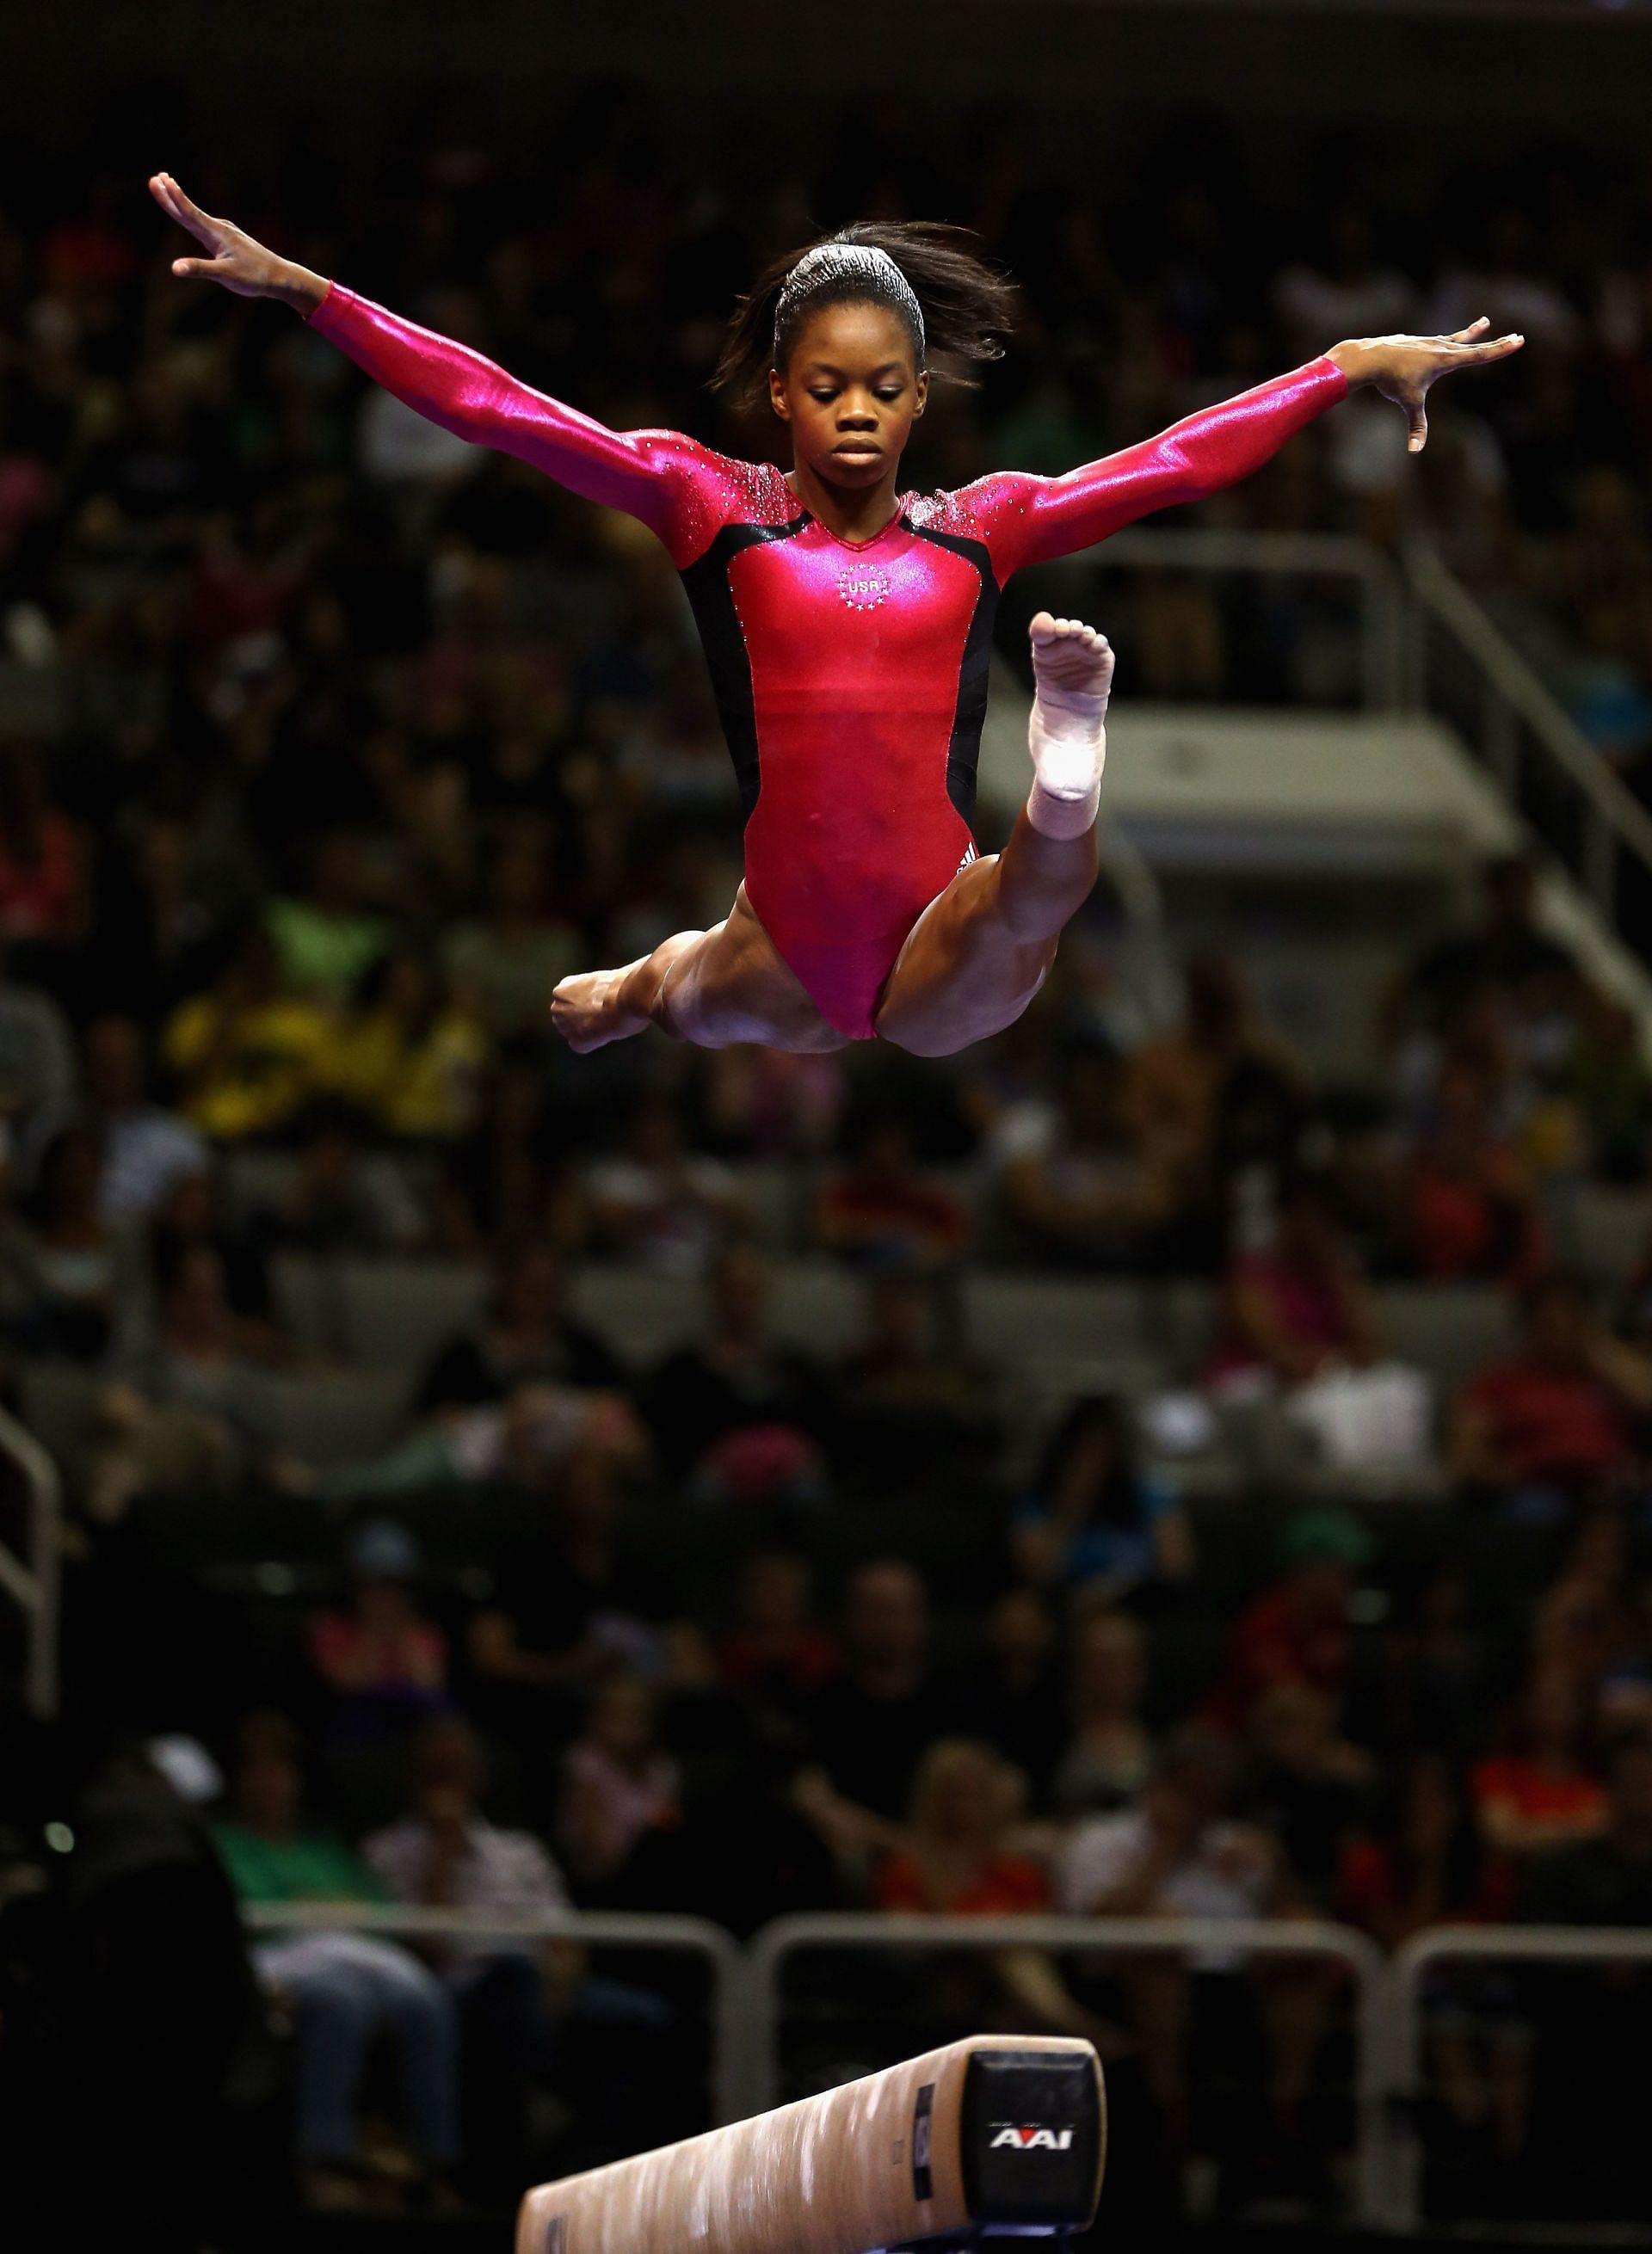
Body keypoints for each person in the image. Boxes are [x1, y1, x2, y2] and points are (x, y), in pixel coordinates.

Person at [154, 171, 1520, 1057]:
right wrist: (309, 293)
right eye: (825, 389)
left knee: (1037, 899)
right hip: (783, 945)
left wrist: (1341, 365)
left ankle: (1069, 746)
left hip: (940, 931)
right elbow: (499, 409)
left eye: (882, 389)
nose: (854, 413)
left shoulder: (981, 527)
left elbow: (1170, 461)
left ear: (921, 399)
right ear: (780, 395)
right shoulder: (710, 504)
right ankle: (645, 980)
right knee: (671, 1002)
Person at [211, 1713, 462, 2214]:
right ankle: (324, 2159)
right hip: (281, 1957)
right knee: (340, 1999)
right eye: (258, 1771)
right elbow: (254, 1915)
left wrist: (328, 1910)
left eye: (281, 1771)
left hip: (354, 1953)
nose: (271, 1784)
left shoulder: (323, 1847)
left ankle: (434, 2161)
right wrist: (329, 1911)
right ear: (240, 1781)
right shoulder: (227, 1845)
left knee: (422, 2000)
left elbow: (378, 1913)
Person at [1011, 1394, 1194, 1609]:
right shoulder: (1039, 1501)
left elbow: (1177, 1568)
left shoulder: (1149, 1496)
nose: (1096, 1460)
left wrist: (1113, 1591)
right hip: (1065, 1603)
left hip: (1134, 1604)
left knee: (1109, 1638)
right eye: (1086, 1447)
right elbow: (1038, 1575)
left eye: (1105, 1449)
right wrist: (1072, 1505)